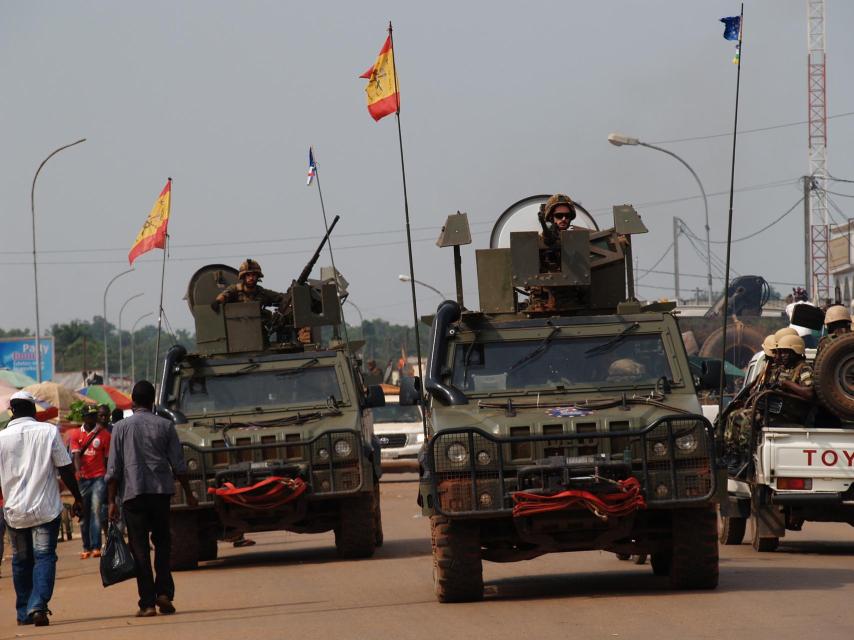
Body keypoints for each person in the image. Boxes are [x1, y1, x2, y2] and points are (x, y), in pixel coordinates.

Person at [105, 380, 197, 618]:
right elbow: (179, 465)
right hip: (160, 492)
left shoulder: (120, 428)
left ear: (133, 402)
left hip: (132, 494)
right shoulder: (166, 426)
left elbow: (113, 469)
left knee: (140, 548)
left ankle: (147, 603)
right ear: (153, 401)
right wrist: (188, 493)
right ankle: (164, 593)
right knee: (163, 542)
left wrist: (112, 501)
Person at [0, 391, 83, 627]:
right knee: (44, 556)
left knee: (20, 560)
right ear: (33, 410)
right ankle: (37, 605)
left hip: (14, 510)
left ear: (12, 411)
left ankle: (23, 610)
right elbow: (65, 468)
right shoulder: (48, 432)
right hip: (45, 508)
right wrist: (78, 498)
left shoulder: (1, 437)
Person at [70, 405, 110, 560]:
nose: (92, 418)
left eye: (94, 415)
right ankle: (86, 546)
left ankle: (96, 547)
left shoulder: (105, 435)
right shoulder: (75, 434)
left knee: (96, 511)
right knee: (84, 514)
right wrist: (78, 471)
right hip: (83, 479)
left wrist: (108, 475)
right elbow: (76, 456)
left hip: (99, 477)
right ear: (84, 417)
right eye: (89, 415)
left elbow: (107, 458)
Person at [210, 259, 285, 311]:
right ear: (243, 277)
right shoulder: (235, 289)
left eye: (254, 275)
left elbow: (280, 297)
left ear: (258, 277)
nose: (251, 278)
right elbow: (224, 295)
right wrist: (218, 302)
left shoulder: (262, 293)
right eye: (248, 275)